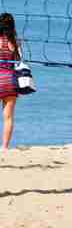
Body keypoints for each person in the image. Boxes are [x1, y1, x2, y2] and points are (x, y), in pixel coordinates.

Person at [0, 13, 21, 150]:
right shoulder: (15, 42)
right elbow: (19, 61)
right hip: (10, 81)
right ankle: (5, 147)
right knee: (8, 117)